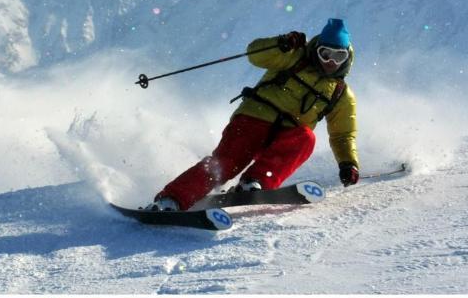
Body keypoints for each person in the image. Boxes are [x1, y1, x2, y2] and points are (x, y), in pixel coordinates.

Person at [151, 19, 358, 211]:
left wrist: (348, 163)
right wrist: (281, 43)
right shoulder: (295, 56)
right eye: (325, 54)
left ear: (347, 56)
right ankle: (172, 199)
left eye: (339, 56)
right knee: (225, 163)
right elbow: (254, 54)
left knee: (306, 138)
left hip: (286, 136)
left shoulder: (340, 93)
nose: (331, 61)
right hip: (254, 119)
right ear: (316, 49)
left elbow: (343, 134)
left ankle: (255, 181)